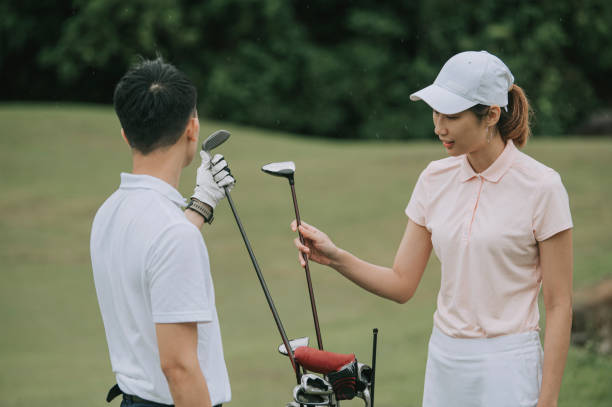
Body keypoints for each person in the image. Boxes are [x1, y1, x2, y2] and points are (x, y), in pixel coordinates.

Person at [291, 51, 573, 407]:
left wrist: (547, 402)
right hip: (445, 361)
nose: (439, 126)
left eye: (452, 116)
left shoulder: (542, 186)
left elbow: (560, 304)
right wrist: (335, 257)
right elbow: (401, 282)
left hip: (509, 364)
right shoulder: (434, 179)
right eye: (436, 112)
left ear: (491, 115)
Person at [91, 58, 235, 407]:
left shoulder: (109, 212)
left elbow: (155, 254)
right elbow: (179, 368)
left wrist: (200, 206)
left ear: (126, 133)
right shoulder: (173, 235)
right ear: (192, 128)